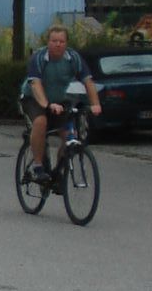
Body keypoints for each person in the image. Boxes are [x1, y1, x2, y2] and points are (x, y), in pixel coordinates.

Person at [21, 25, 101, 182]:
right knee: (41, 121)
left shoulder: (73, 58)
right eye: (54, 41)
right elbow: (35, 84)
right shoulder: (39, 57)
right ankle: (37, 166)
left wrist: (95, 104)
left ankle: (58, 171)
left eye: (61, 41)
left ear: (66, 43)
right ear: (48, 42)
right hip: (34, 98)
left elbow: (88, 81)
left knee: (68, 136)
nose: (58, 44)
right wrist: (47, 105)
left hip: (59, 100)